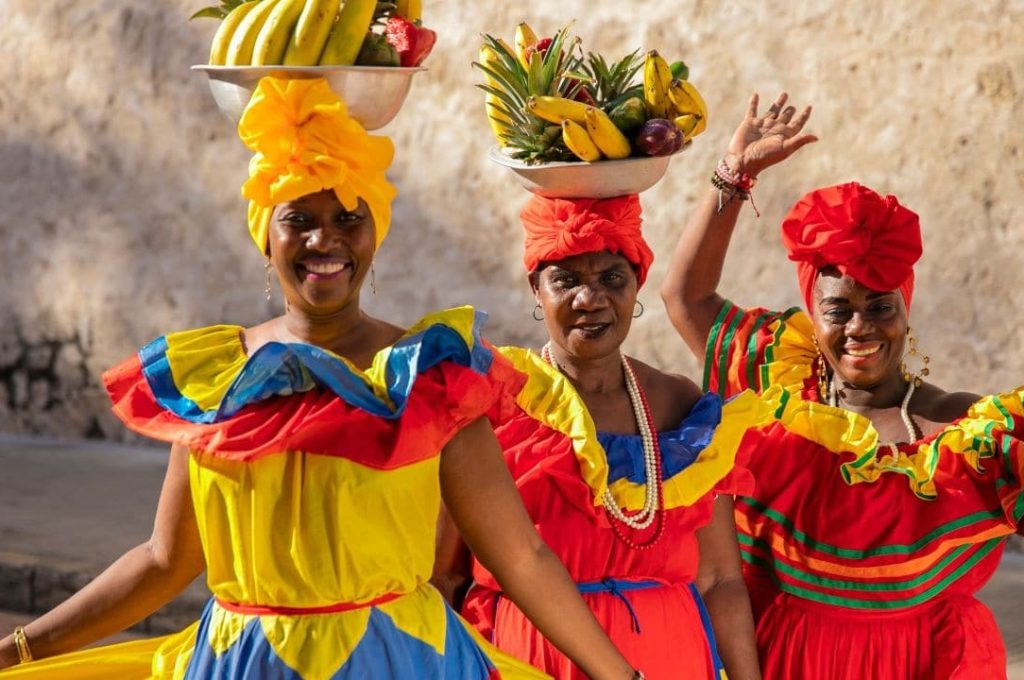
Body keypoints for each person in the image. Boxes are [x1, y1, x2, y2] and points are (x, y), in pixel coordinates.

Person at [0, 77, 645, 680]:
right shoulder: (214, 377)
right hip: (246, 663)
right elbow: (165, 561)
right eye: (299, 220)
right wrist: (21, 648)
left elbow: (521, 558)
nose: (323, 241)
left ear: (375, 234)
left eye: (347, 219)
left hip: (398, 661)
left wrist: (620, 676)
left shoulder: (430, 376)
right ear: (265, 236)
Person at [660, 92, 1024, 679]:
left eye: (880, 307)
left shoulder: (962, 432)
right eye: (839, 309)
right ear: (813, 311)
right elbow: (686, 298)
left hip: (925, 665)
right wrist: (734, 176)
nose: (860, 328)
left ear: (906, 311)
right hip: (791, 661)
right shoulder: (776, 393)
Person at [433, 193, 764, 680]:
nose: (590, 300)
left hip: (675, 660)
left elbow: (720, 580)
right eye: (565, 280)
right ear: (535, 288)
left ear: (637, 284)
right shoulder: (496, 404)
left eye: (612, 278)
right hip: (535, 665)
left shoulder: (680, 407)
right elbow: (447, 576)